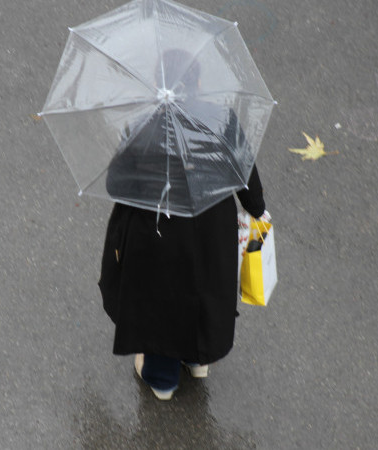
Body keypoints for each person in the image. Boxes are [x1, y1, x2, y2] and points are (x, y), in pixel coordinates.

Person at [98, 50, 270, 400]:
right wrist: (256, 207)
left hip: (158, 233)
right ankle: (197, 359)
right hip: (211, 229)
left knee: (161, 300)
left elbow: (116, 184)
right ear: (199, 83)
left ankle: (162, 378)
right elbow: (244, 171)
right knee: (203, 288)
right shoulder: (221, 119)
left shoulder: (143, 125)